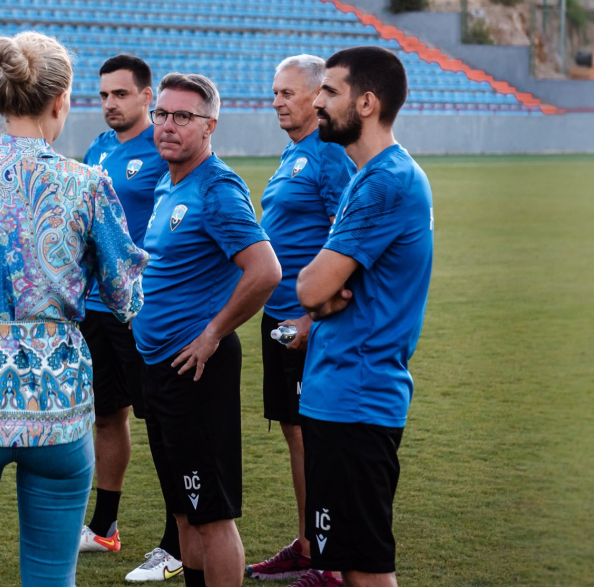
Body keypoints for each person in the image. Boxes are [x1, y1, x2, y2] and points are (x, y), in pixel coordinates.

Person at [0, 31, 150, 587]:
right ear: (60, 101)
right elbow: (126, 297)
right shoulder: (87, 184)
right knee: (51, 579)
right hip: (57, 403)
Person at [134, 73, 282, 587]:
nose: (167, 126)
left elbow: (265, 270)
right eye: (161, 114)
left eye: (183, 116)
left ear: (210, 125)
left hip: (196, 367)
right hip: (158, 364)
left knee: (211, 515)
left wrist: (213, 332)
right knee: (183, 510)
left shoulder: (217, 189)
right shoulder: (168, 181)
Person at [296, 46, 434, 587]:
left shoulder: (385, 181)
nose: (317, 102)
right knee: (347, 563)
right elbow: (322, 292)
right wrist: (322, 299)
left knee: (366, 570)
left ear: (367, 103)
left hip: (357, 398)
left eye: (330, 91)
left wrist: (319, 298)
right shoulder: (368, 174)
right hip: (342, 393)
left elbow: (311, 287)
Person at [245, 56, 355, 587]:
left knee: (316, 438)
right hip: (279, 318)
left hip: (309, 323)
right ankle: (311, 545)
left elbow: (346, 240)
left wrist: (312, 318)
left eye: (287, 93)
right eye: (274, 93)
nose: (276, 102)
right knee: (296, 434)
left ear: (317, 97)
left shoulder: (330, 155)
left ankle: (331, 562)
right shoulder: (295, 152)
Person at [79, 55, 183, 583]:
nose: (110, 104)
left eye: (120, 94)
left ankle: (177, 541)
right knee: (106, 417)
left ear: (147, 97)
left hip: (142, 311)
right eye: (103, 95)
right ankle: (104, 527)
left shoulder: (164, 148)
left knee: (163, 425)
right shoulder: (98, 148)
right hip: (94, 308)